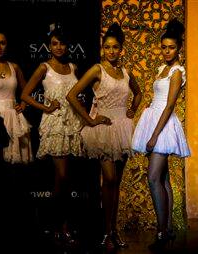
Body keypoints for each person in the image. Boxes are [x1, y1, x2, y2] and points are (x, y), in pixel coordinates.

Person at [66, 23, 142, 249]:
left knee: (115, 183)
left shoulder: (126, 73)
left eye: (115, 47)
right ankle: (106, 231)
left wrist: (133, 110)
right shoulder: (97, 70)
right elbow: (72, 95)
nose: (111, 51)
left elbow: (138, 93)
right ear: (103, 49)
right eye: (107, 47)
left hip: (122, 128)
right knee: (108, 179)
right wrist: (89, 120)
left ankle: (113, 232)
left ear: (121, 49)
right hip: (103, 128)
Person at [20, 24, 84, 245]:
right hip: (55, 125)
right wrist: (45, 107)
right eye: (54, 43)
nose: (58, 47)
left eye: (62, 43)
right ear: (49, 45)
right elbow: (26, 94)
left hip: (72, 125)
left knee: (64, 181)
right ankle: (60, 225)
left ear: (67, 45)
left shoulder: (74, 67)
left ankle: (58, 225)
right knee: (63, 176)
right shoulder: (43, 67)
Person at [130, 19, 190, 251]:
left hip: (163, 124)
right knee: (163, 179)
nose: (166, 51)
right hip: (152, 118)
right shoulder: (160, 69)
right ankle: (169, 229)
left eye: (171, 47)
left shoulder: (177, 72)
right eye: (163, 47)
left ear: (178, 48)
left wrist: (154, 135)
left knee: (153, 178)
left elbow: (169, 105)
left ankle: (161, 231)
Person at [0, 30, 32, 164]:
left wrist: (23, 104)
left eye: (2, 43)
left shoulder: (14, 67)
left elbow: (27, 90)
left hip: (14, 119)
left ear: (7, 45)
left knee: (14, 166)